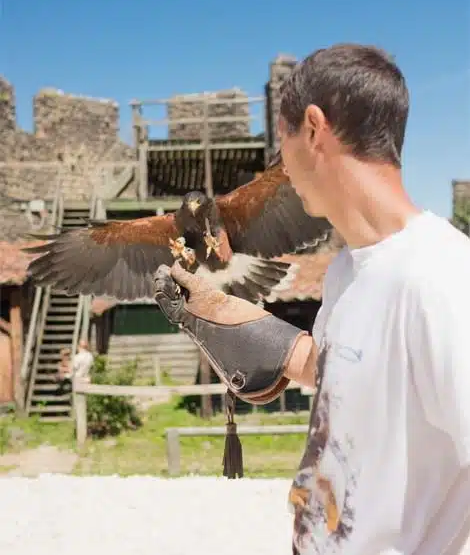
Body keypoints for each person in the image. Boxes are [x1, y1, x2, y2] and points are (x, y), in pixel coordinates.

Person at [153, 43, 470, 555]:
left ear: (315, 129)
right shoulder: (348, 270)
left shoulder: (445, 276)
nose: (281, 164)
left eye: (283, 141)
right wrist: (234, 320)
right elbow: (353, 375)